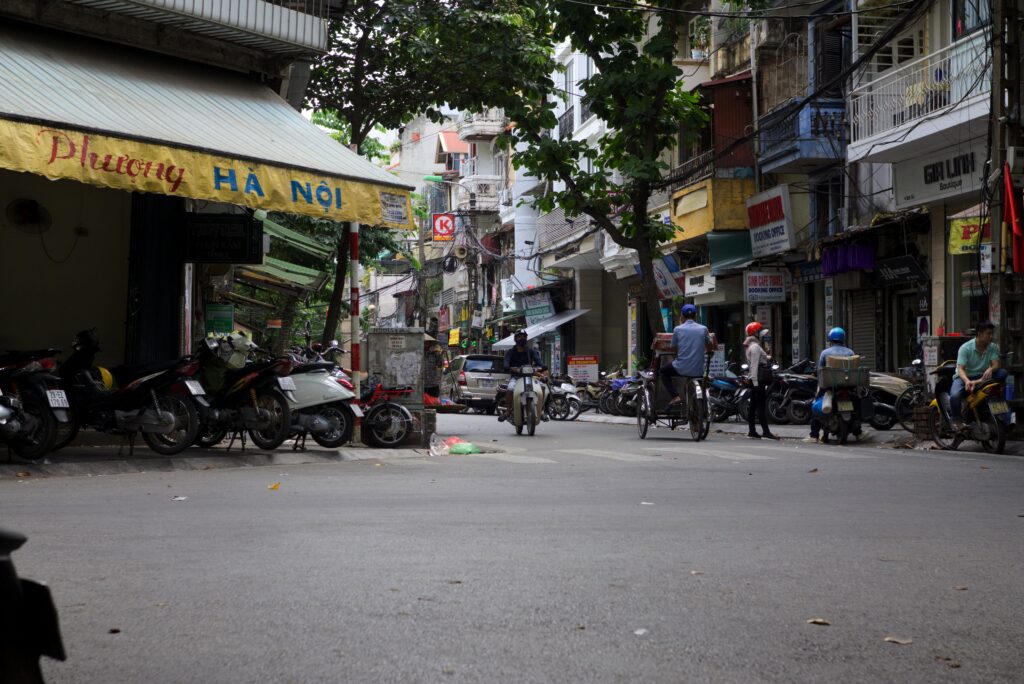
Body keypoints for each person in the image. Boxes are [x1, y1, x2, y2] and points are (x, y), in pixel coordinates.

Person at [803, 327, 856, 443]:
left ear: (830, 339)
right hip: (848, 385)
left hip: (829, 386)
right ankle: (859, 432)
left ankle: (814, 435)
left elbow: (820, 370)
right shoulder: (850, 352)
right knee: (857, 402)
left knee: (816, 405)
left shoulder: (825, 353)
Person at [951, 321, 1006, 429]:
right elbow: (960, 369)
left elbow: (996, 364)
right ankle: (957, 422)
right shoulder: (965, 348)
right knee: (955, 396)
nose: (991, 336)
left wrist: (991, 369)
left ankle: (1001, 419)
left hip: (982, 377)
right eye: (988, 334)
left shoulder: (992, 347)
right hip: (964, 378)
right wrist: (967, 381)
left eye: (991, 334)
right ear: (979, 334)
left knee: (1003, 373)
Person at [660, 304, 713, 407]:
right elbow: (710, 346)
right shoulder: (703, 329)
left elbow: (673, 348)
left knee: (663, 371)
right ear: (695, 315)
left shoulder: (678, 329)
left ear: (682, 316)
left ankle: (675, 396)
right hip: (698, 370)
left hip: (681, 368)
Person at [498, 330, 546, 422]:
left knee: (542, 387)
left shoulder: (531, 351)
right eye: (520, 336)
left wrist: (543, 366)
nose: (522, 338)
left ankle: (541, 410)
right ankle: (508, 411)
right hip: (516, 377)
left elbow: (538, 361)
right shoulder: (510, 352)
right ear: (515, 338)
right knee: (510, 388)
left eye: (524, 336)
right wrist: (508, 367)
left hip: (530, 377)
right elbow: (506, 363)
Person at [744, 322, 778, 440]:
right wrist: (756, 384)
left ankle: (752, 431)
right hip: (758, 380)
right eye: (759, 331)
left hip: (755, 380)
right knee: (760, 406)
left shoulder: (752, 346)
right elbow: (754, 366)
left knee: (753, 406)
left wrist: (767, 356)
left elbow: (757, 361)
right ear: (756, 333)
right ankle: (766, 432)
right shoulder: (755, 347)